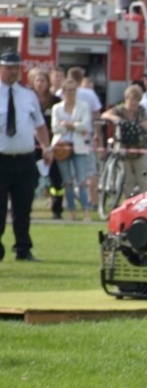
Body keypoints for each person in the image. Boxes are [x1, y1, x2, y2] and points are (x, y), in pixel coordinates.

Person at [0, 51, 52, 262]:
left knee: (23, 207)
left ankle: (23, 248)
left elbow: (39, 124)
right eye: (9, 67)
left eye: (16, 68)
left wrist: (46, 147)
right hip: (1, 159)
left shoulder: (27, 94)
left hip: (25, 159)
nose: (14, 72)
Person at [52, 79, 94, 221]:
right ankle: (72, 211)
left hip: (79, 146)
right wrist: (72, 126)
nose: (71, 93)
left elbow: (86, 125)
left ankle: (86, 211)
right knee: (67, 181)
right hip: (61, 147)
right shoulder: (57, 108)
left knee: (82, 180)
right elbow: (55, 128)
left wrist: (69, 125)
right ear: (63, 92)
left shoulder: (83, 106)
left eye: (73, 90)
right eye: (68, 90)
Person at [101, 84, 147, 199]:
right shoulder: (119, 109)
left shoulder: (142, 111)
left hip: (139, 150)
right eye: (131, 99)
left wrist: (136, 126)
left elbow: (146, 125)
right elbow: (104, 115)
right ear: (126, 99)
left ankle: (146, 203)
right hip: (123, 151)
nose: (133, 103)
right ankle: (129, 203)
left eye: (136, 100)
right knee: (127, 181)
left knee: (143, 181)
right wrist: (116, 119)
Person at [29, 68, 64, 219]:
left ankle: (57, 209)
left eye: (43, 80)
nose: (40, 83)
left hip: (52, 145)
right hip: (32, 146)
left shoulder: (56, 101)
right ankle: (27, 208)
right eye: (37, 80)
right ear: (32, 82)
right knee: (32, 179)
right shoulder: (29, 100)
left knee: (56, 178)